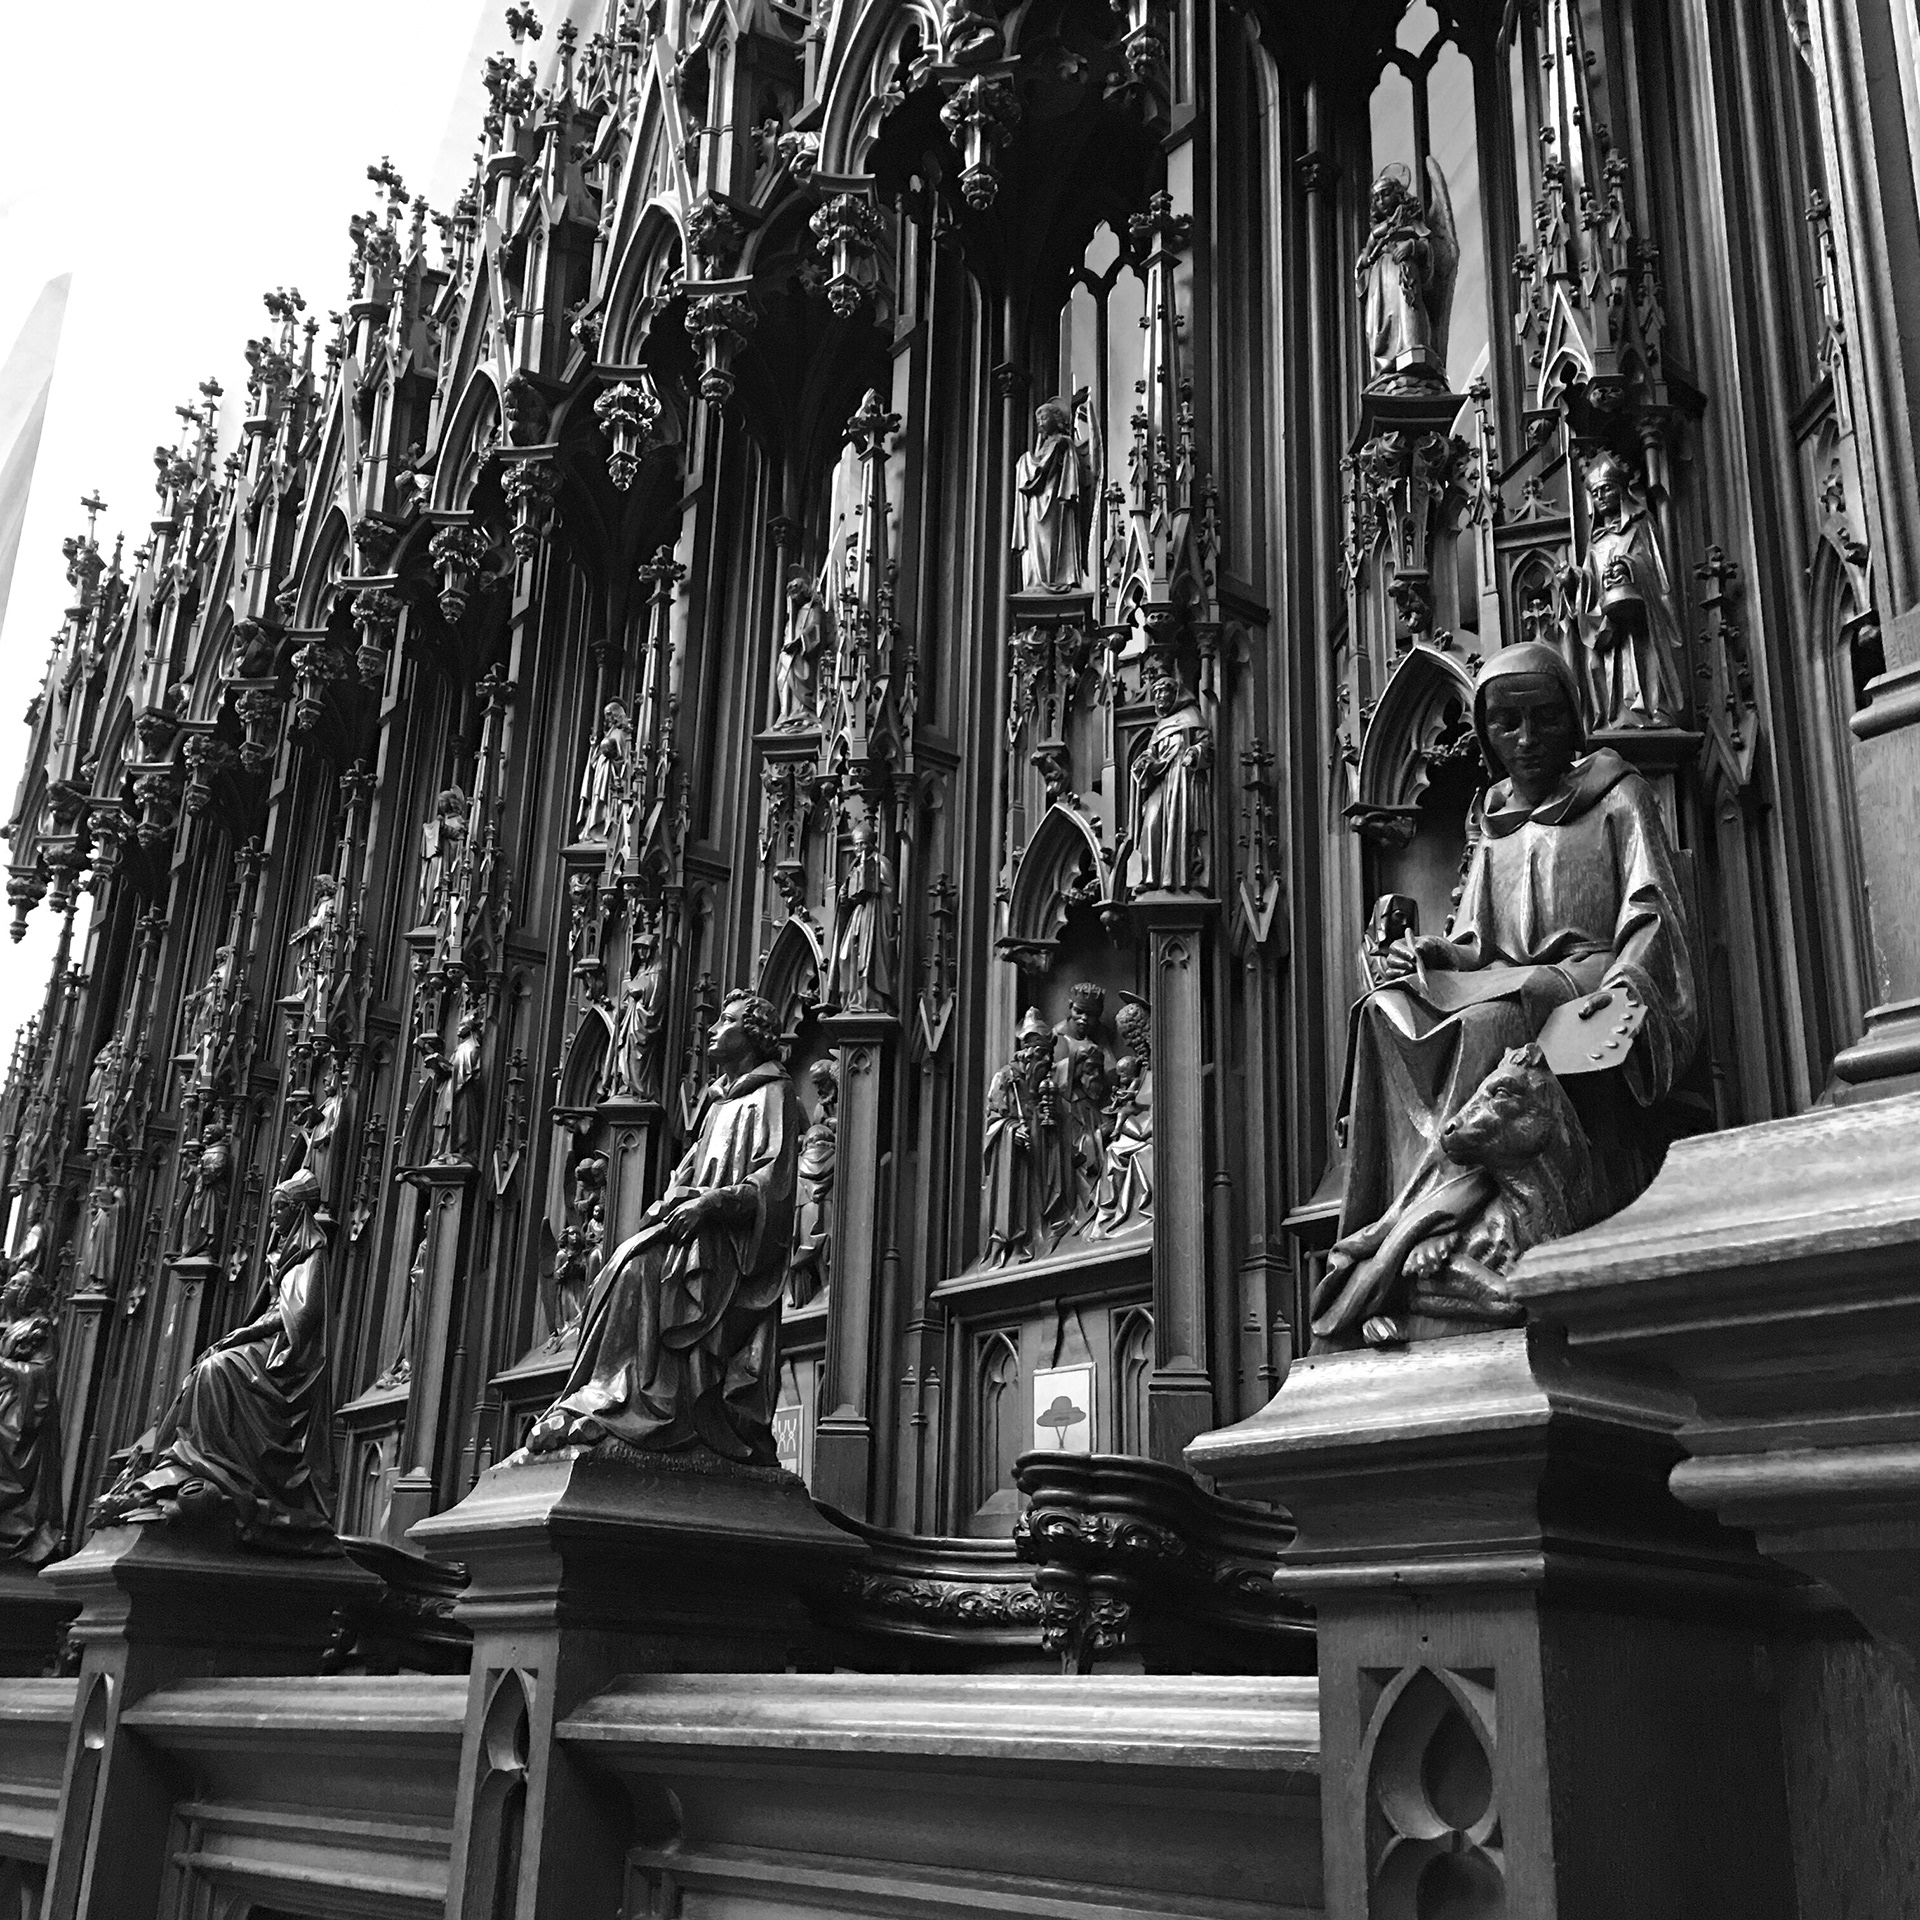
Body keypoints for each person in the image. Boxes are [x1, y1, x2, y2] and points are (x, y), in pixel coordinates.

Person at [1312, 641, 1700, 1348]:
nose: (1526, 739)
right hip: (1508, 975)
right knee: (1383, 1008)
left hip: (1579, 977)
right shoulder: (1491, 818)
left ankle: (1434, 1213)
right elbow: (1475, 939)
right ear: (1485, 734)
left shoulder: (1619, 796)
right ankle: (1388, 1210)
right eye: (1507, 724)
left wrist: (1621, 993)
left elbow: (1651, 917)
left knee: (1492, 1019)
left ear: (1571, 718)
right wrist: (1434, 952)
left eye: (1545, 719)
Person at [525, 991, 802, 1464]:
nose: (714, 1030)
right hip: (694, 1236)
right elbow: (688, 1174)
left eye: (728, 1022)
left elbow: (772, 1185)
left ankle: (647, 1404)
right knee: (622, 1261)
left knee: (638, 1269)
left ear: (753, 1037)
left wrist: (710, 1205)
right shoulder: (718, 1105)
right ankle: (605, 1396)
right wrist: (667, 1204)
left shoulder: (774, 1094)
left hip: (730, 1249)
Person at [95, 1170, 334, 1544]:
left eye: (280, 1209)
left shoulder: (311, 1254)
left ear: (299, 1211)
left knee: (217, 1368)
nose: (273, 1217)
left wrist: (244, 1333)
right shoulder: (283, 1250)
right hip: (267, 1341)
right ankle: (182, 1461)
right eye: (272, 1209)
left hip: (287, 1354)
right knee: (204, 1368)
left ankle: (217, 1468)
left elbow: (301, 1315)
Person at [1576, 449, 1687, 729]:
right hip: (1610, 626)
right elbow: (1588, 590)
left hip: (1641, 620)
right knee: (1602, 664)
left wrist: (1627, 567)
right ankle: (1614, 714)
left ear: (1622, 491)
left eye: (1606, 490)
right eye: (1596, 493)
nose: (1600, 497)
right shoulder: (1595, 543)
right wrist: (1572, 584)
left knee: (1641, 658)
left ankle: (1650, 708)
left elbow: (1655, 570)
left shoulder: (1640, 524)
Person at [1355, 160, 1459, 391]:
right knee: (1380, 322)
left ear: (1398, 194)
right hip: (1380, 279)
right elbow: (1364, 260)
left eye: (1386, 194)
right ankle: (1386, 367)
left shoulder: (1411, 221)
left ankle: (1411, 356)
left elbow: (1429, 247)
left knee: (1408, 311)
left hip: (1404, 272)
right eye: (1378, 198)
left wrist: (1411, 246)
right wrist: (1369, 255)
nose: (1382, 201)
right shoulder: (1378, 232)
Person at [1129, 669, 1213, 892]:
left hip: (1183, 779)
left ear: (1174, 694)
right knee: (1151, 823)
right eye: (1155, 693)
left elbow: (1207, 744)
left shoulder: (1191, 716)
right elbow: (1152, 752)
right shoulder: (1160, 726)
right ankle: (1151, 878)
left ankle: (1182, 880)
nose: (1158, 697)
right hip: (1162, 781)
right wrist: (1145, 762)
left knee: (1181, 824)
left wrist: (1195, 752)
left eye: (1162, 692)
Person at [0, 1269, 61, 1565]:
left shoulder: (40, 1326)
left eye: (15, 1284)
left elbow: (42, 1375)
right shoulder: (12, 1326)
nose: (6, 1287)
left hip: (21, 1416)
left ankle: (15, 1536)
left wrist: (4, 1366)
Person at [1012, 395, 1095, 593]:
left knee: (1050, 543)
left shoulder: (1062, 443)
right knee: (1036, 543)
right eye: (1038, 419)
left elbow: (1041, 471)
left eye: (1044, 417)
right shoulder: (1044, 447)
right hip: (1037, 505)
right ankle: (1036, 581)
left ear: (1055, 420)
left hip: (1055, 505)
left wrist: (1026, 462)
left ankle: (1055, 578)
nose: (1040, 422)